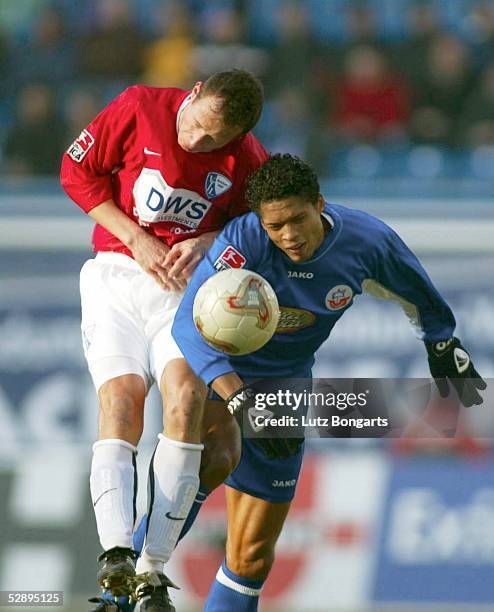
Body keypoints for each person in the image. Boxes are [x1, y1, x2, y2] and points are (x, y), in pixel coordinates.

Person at [170, 153, 486, 611]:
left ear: (319, 203)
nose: (289, 236)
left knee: (252, 556)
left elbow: (420, 296)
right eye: (276, 227)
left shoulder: (368, 241)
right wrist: (237, 397)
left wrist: (441, 344)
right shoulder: (245, 239)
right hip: (224, 374)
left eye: (298, 219)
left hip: (284, 386)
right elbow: (186, 326)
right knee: (213, 457)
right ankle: (130, 575)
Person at [60, 69, 267, 611]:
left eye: (213, 141)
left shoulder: (246, 157)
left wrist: (207, 239)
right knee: (123, 400)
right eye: (197, 128)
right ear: (193, 94)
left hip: (184, 292)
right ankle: (116, 557)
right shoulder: (137, 106)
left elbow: (258, 222)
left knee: (185, 400)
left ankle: (152, 568)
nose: (198, 143)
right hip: (116, 274)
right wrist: (135, 238)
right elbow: (76, 171)